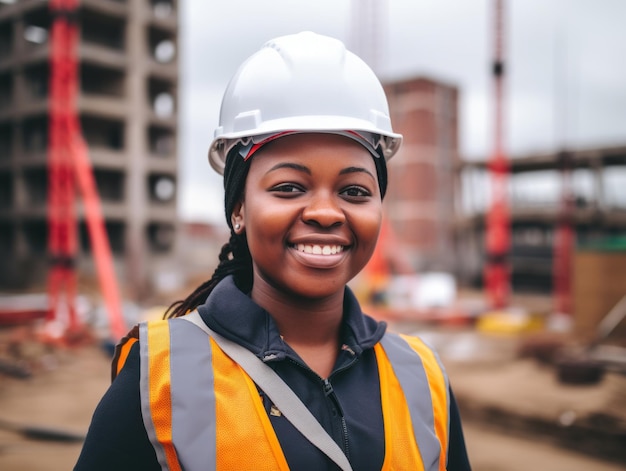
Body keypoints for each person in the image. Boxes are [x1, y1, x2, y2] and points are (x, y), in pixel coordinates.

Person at [75, 31, 471, 471]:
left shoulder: (422, 377)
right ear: (238, 208)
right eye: (289, 187)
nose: (325, 212)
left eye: (355, 190)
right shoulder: (159, 380)